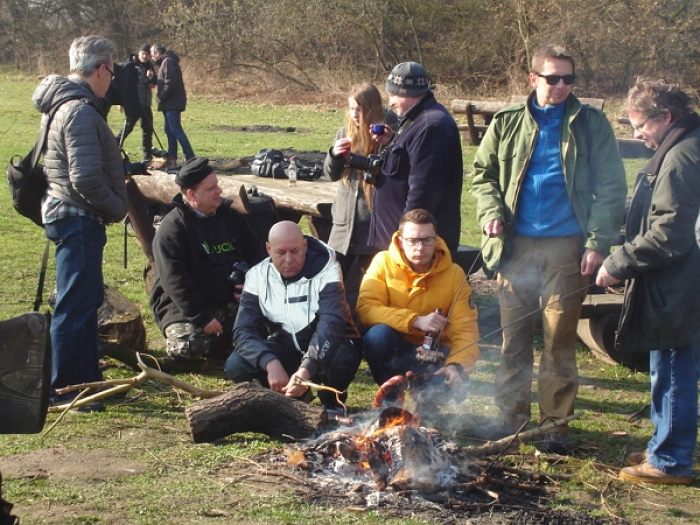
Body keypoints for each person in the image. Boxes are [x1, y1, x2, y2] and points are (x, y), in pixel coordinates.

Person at [470, 44, 627, 453]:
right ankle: (510, 419)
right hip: (516, 245)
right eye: (552, 78)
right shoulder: (506, 122)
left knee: (558, 339)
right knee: (513, 337)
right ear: (532, 78)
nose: (561, 86)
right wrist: (490, 211)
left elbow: (611, 188)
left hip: (566, 247)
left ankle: (554, 425)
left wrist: (597, 243)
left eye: (568, 79)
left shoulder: (590, 123)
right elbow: (482, 174)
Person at [595, 80, 700, 485]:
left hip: (681, 283)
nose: (636, 133)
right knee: (670, 364)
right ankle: (665, 446)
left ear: (665, 117)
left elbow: (669, 234)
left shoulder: (680, 158)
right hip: (679, 280)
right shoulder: (685, 144)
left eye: (639, 124)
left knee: (673, 367)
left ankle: (670, 461)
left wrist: (618, 263)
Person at [32, 35, 128, 411]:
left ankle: (88, 385)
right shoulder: (80, 110)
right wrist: (117, 207)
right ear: (101, 69)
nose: (112, 79)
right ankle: (66, 389)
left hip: (71, 213)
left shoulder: (67, 104)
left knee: (85, 303)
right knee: (75, 306)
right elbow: (85, 178)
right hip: (77, 215)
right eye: (112, 71)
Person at [225, 221, 361, 414]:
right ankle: (284, 397)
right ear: (268, 249)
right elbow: (242, 331)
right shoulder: (256, 275)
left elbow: (332, 324)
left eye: (295, 251)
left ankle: (332, 401)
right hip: (284, 344)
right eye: (281, 253)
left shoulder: (329, 269)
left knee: (342, 356)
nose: (289, 260)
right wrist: (270, 363)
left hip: (325, 346)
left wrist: (307, 369)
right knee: (236, 364)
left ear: (305, 246)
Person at [356, 209, 479, 409]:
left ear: (436, 239)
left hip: (436, 355)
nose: (420, 247)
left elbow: (466, 330)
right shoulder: (383, 262)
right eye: (412, 240)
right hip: (396, 347)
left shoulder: (455, 274)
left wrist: (457, 365)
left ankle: (429, 405)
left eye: (427, 240)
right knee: (377, 336)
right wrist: (414, 320)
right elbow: (367, 309)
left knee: (451, 388)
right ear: (401, 240)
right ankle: (392, 402)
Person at [150, 157, 266, 360]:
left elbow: (259, 257)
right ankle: (222, 343)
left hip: (231, 302)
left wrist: (251, 285)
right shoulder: (173, 229)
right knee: (190, 346)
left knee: (276, 328)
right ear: (191, 195)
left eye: (217, 185)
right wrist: (202, 317)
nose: (219, 192)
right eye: (211, 188)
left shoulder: (232, 218)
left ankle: (228, 342)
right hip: (186, 308)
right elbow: (174, 280)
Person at [367, 62, 463, 253]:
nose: (391, 102)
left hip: (417, 250)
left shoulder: (430, 127)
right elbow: (410, 163)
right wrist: (392, 142)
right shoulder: (416, 120)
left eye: (393, 95)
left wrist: (406, 241)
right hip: (405, 244)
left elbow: (422, 193)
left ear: (407, 93)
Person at [323, 83, 398, 278]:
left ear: (372, 108)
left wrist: (388, 144)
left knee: (373, 286)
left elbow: (393, 175)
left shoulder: (388, 133)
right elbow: (330, 175)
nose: (355, 114)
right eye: (352, 108)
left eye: (360, 109)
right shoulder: (344, 132)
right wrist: (334, 155)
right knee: (330, 281)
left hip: (374, 226)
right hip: (343, 224)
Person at [151, 44, 194, 168]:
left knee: (175, 129)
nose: (153, 58)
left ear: (157, 53)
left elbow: (170, 82)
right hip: (169, 103)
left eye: (153, 54)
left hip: (172, 102)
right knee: (169, 130)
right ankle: (172, 157)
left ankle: (190, 157)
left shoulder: (168, 62)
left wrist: (161, 97)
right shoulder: (166, 62)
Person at [115, 44, 157, 160]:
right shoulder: (131, 65)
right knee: (128, 126)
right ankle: (115, 146)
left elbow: (152, 84)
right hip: (133, 102)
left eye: (147, 54)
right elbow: (124, 83)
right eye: (143, 53)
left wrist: (150, 78)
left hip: (145, 102)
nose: (145, 56)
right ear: (139, 53)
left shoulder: (149, 66)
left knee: (148, 128)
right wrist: (120, 102)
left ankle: (147, 156)